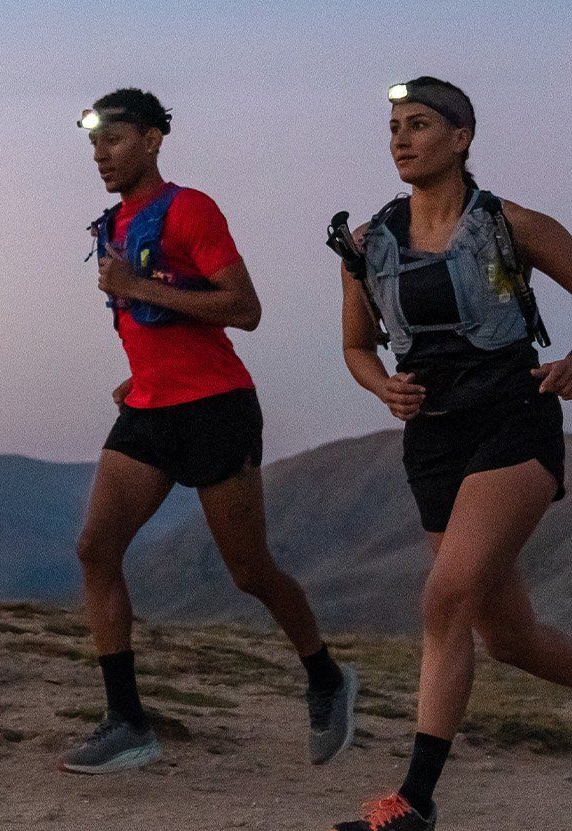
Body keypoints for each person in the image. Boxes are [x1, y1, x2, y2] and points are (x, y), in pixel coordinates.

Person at [328, 77, 572, 831]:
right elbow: (355, 344)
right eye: (392, 128)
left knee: (445, 596)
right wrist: (383, 386)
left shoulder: (514, 225)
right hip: (433, 441)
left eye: (418, 124)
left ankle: (414, 806)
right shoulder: (367, 242)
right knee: (506, 634)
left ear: (462, 136)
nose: (401, 140)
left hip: (513, 422)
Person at [59, 88, 357, 774]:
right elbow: (145, 327)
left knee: (249, 571)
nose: (102, 154)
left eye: (116, 139)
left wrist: (142, 289)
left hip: (215, 409)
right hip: (149, 411)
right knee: (95, 548)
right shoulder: (111, 227)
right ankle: (127, 722)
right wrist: (137, 376)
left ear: (154, 140)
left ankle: (325, 677)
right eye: (95, 143)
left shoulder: (190, 210)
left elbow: (244, 309)